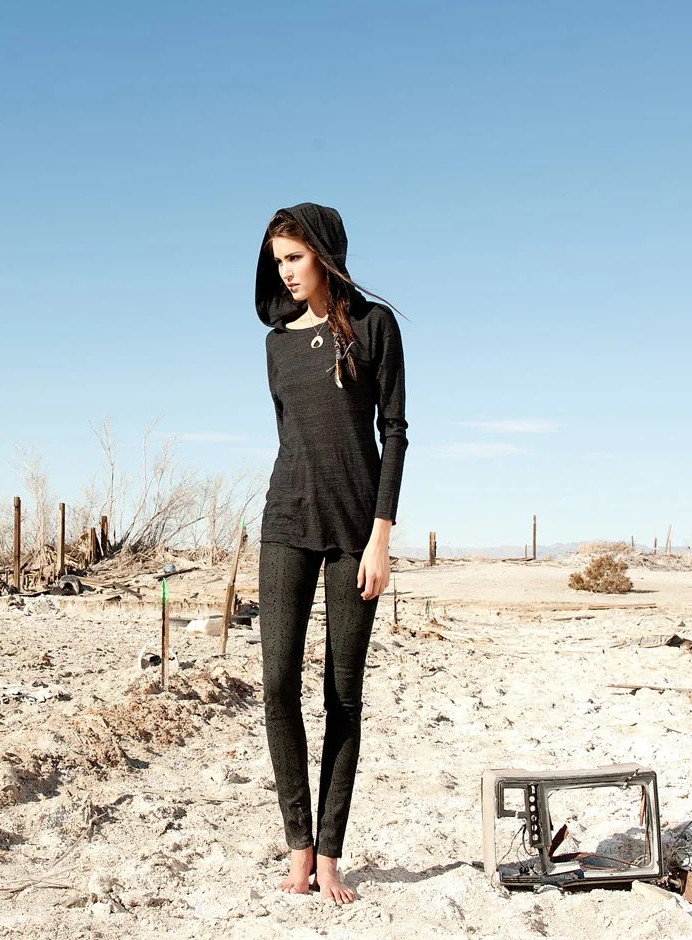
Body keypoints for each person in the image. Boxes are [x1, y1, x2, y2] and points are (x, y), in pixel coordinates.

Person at [254, 202, 408, 905]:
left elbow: (394, 432)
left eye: (295, 257)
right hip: (287, 522)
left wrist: (381, 536)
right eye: (278, 260)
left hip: (355, 536)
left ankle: (332, 854)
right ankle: (298, 843)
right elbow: (295, 438)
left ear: (324, 254)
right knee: (279, 684)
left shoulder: (376, 327)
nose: (286, 272)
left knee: (342, 694)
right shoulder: (278, 343)